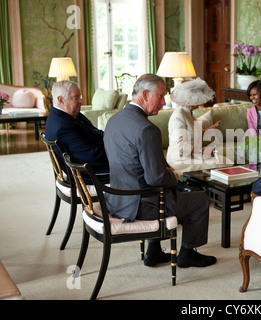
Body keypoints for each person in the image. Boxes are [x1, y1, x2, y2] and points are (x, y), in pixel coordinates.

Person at [103, 73, 216, 268]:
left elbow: (137, 164)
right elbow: (155, 178)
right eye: (161, 96)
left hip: (117, 200)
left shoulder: (114, 120)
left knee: (176, 191)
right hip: (141, 205)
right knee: (199, 199)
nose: (164, 102)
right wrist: (175, 176)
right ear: (145, 94)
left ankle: (153, 252)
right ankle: (187, 254)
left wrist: (165, 173)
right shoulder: (147, 129)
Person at [167, 78, 233, 174]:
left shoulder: (189, 113)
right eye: (199, 97)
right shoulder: (178, 115)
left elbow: (192, 134)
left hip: (191, 155)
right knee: (219, 164)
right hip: (179, 159)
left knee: (225, 160)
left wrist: (208, 129)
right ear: (190, 98)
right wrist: (203, 151)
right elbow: (181, 146)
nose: (201, 100)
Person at [45, 81, 108, 174]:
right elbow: (92, 155)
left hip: (94, 159)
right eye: (76, 97)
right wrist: (119, 151)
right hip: (91, 173)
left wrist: (112, 139)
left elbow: (94, 131)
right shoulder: (62, 126)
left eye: (80, 96)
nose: (81, 101)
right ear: (61, 100)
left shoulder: (69, 115)